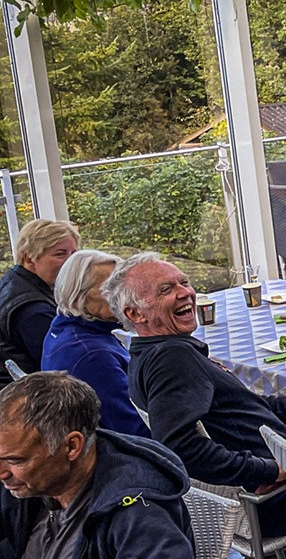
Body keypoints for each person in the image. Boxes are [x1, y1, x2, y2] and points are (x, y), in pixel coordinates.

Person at [109, 254, 286, 539]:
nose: (185, 293)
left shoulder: (149, 351)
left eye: (184, 282)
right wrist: (269, 470)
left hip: (275, 480)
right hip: (274, 500)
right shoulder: (171, 359)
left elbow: (250, 407)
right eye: (166, 290)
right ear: (135, 315)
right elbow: (181, 446)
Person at [0, 372, 194, 558]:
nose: (2, 473)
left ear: (71, 446)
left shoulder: (137, 512)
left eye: (15, 460)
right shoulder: (32, 482)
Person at [41, 250, 148, 437]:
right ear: (79, 295)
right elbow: (134, 430)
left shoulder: (62, 326)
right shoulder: (92, 356)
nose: (126, 296)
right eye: (111, 289)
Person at [0, 219, 79, 377]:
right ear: (29, 258)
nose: (71, 262)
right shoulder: (32, 310)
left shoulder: (14, 281)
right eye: (60, 254)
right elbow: (61, 365)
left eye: (74, 254)